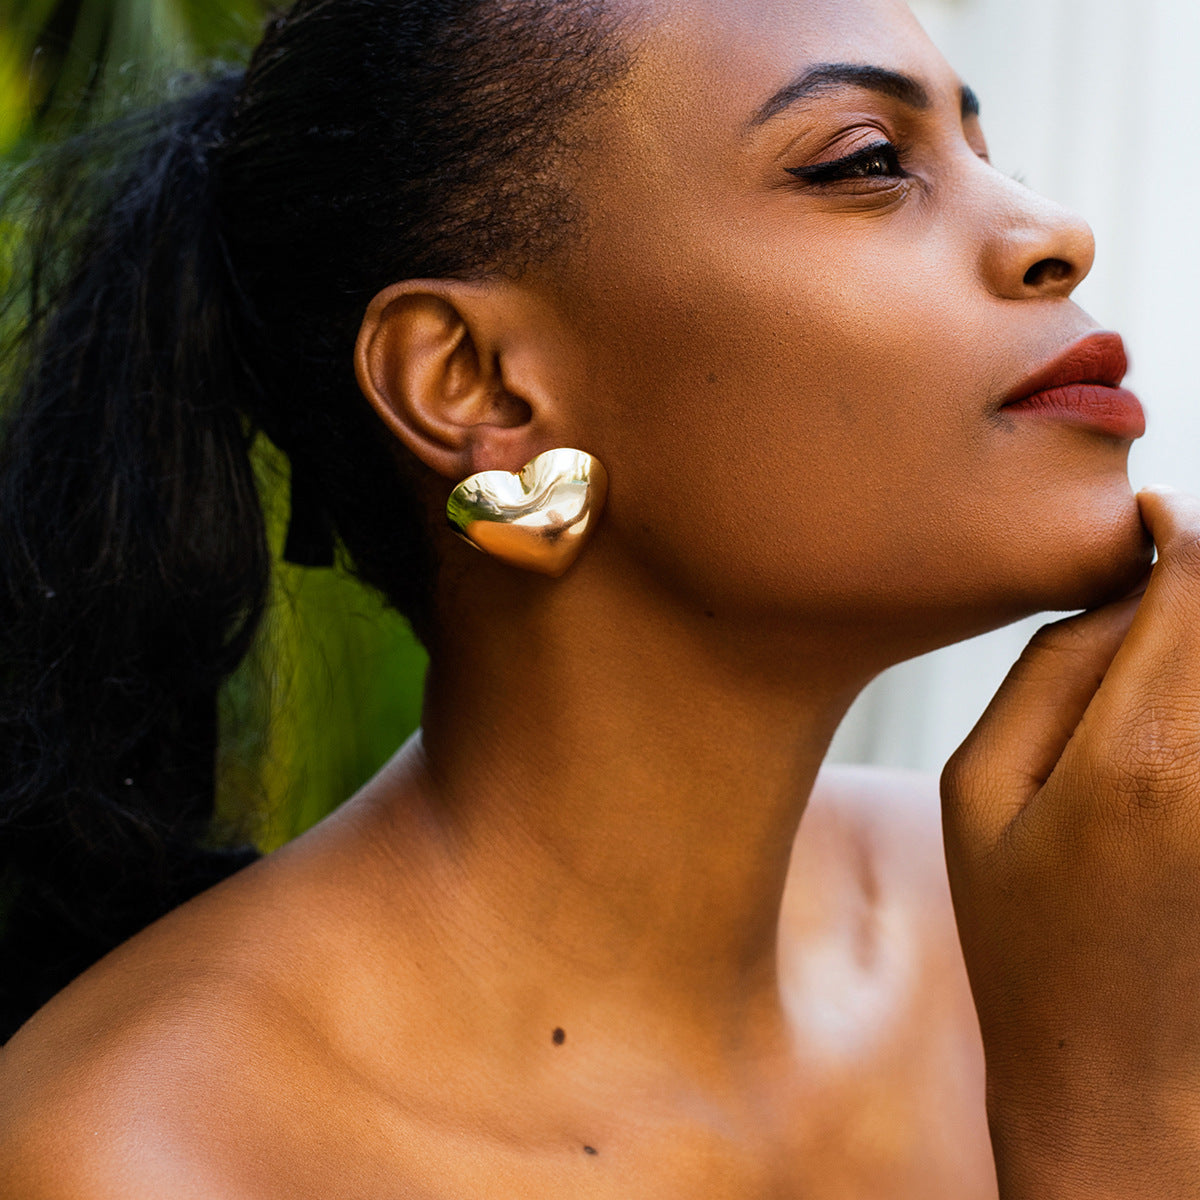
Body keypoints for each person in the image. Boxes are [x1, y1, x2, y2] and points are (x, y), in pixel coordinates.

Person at [1, 0, 1197, 1194]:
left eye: (987, 157)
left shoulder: (1064, 910)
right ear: (475, 386)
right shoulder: (144, 1157)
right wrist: (1111, 1111)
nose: (1057, 231)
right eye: (867, 163)